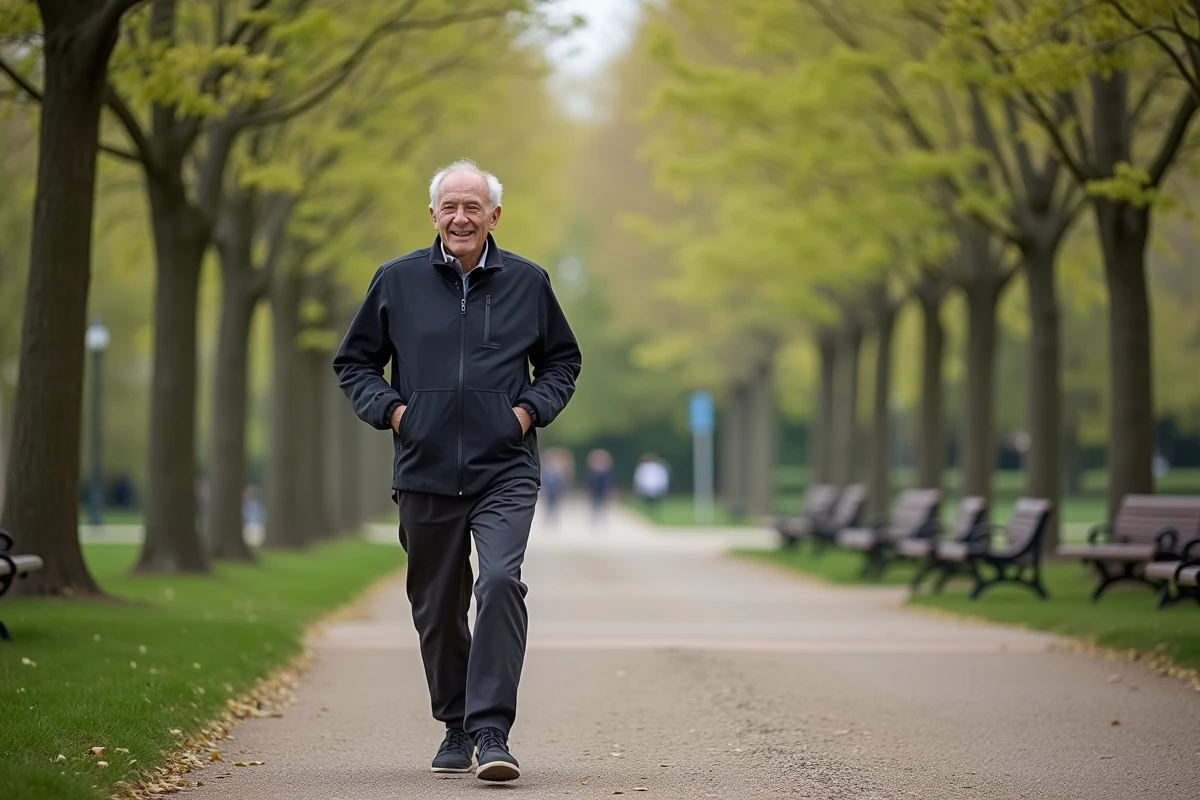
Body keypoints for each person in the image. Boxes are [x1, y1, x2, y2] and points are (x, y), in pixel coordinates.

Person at [332, 159, 581, 783]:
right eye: (450, 206)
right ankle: (455, 723)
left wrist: (527, 412)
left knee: (499, 581)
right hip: (424, 469)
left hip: (505, 469)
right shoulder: (397, 281)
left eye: (473, 207)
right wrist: (392, 412)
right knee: (437, 604)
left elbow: (563, 362)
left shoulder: (528, 282)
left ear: (494, 215)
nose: (461, 217)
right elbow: (355, 363)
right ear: (434, 214)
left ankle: (492, 729)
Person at [633, 454, 670, 520]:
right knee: (650, 503)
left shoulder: (654, 467)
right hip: (650, 488)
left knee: (653, 503)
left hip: (653, 488)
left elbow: (638, 478)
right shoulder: (644, 467)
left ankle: (652, 515)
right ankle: (650, 515)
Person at [585, 448, 614, 527]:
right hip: (594, 491)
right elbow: (588, 482)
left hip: (603, 491)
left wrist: (609, 490)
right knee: (594, 506)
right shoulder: (591, 471)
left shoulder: (606, 471)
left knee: (603, 506)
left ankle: (602, 520)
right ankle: (594, 520)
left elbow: (609, 482)